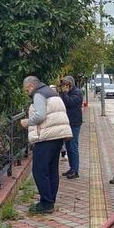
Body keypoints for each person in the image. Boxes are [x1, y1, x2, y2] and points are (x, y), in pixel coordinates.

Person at [20, 76, 72, 214]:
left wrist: (27, 122)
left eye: (27, 90)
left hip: (46, 138)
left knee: (39, 170)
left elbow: (40, 116)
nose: (27, 93)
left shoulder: (39, 95)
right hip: (57, 136)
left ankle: (46, 203)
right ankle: (50, 200)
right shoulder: (52, 92)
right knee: (52, 170)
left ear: (31, 86)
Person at [59, 76, 83, 179]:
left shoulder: (77, 93)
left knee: (73, 146)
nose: (64, 87)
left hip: (74, 123)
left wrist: (64, 93)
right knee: (68, 146)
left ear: (70, 85)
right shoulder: (66, 93)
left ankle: (75, 170)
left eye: (66, 85)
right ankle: (71, 168)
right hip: (67, 122)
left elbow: (69, 103)